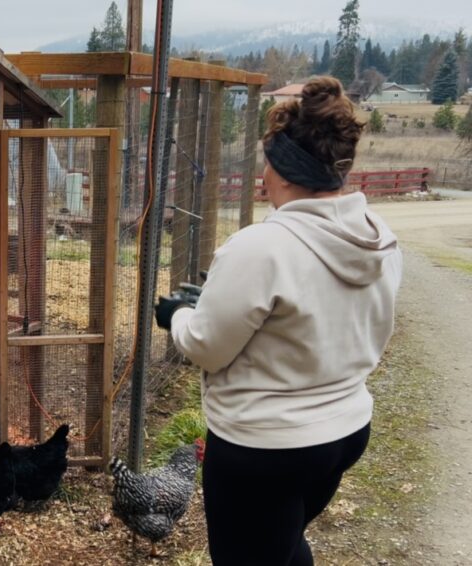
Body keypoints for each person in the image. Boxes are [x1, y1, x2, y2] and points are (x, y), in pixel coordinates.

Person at [154, 76, 402, 565]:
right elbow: (326, 318)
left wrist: (179, 315)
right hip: (345, 429)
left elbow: (206, 345)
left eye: (265, 164)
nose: (262, 176)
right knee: (282, 546)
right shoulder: (378, 239)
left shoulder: (262, 246)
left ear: (283, 170)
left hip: (266, 448)